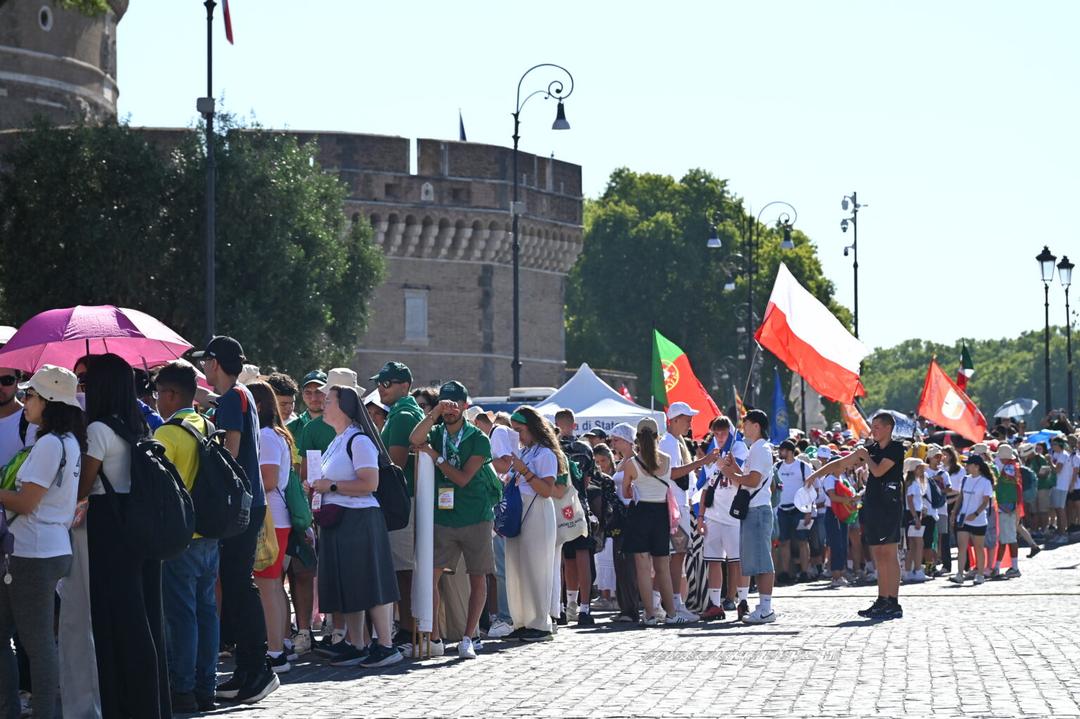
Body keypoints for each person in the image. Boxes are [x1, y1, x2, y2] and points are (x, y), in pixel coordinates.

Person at [77, 353, 171, 717]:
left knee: (116, 620)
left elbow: (83, 487)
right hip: (139, 526)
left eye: (86, 384)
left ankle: (122, 703)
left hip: (109, 527)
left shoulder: (99, 430)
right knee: (144, 616)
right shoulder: (137, 425)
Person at [192, 337, 278, 704]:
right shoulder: (238, 395)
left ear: (213, 363)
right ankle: (249, 668)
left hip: (237, 505)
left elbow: (232, 450)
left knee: (239, 587)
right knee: (239, 585)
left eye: (205, 363)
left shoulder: (232, 399)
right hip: (249, 502)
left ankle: (257, 669)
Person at [0, 366, 82, 719]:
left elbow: (25, 502)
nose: (26, 400)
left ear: (48, 401)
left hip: (33, 553)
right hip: (44, 548)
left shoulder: (50, 443)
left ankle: (43, 712)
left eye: (31, 395)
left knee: (38, 645)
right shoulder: (66, 441)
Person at [311, 385, 403, 668]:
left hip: (360, 520)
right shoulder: (336, 441)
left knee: (370, 581)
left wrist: (331, 485)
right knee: (348, 584)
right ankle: (358, 644)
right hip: (338, 520)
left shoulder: (359, 440)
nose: (322, 405)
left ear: (345, 407)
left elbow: (369, 483)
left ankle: (386, 645)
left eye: (328, 401)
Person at [408, 381, 500, 659]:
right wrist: (433, 413)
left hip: (475, 515)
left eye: (455, 404)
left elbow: (461, 478)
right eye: (445, 403)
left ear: (465, 406)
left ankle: (468, 637)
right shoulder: (436, 431)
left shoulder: (478, 438)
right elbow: (414, 440)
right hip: (444, 516)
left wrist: (436, 458)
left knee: (477, 576)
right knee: (431, 576)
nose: (450, 409)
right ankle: (434, 636)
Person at [155, 361, 219, 713]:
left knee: (181, 616)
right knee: (207, 613)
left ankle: (182, 688)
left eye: (158, 393)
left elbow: (153, 486)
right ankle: (205, 687)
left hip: (180, 536)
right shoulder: (207, 425)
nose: (155, 401)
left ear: (171, 394)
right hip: (210, 533)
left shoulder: (167, 433)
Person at [371, 361, 425, 649]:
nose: (381, 387)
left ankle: (407, 629)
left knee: (403, 568)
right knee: (400, 566)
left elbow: (396, 465)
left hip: (403, 498)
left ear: (404, 385)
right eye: (380, 382)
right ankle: (405, 626)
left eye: (387, 382)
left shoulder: (404, 414)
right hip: (403, 497)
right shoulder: (399, 413)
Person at [248, 381, 296, 674]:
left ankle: (276, 651)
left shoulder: (266, 436)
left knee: (268, 587)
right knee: (274, 586)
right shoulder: (276, 434)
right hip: (277, 519)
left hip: (271, 519)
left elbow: (267, 481)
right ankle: (281, 646)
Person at [620, 417, 686, 626]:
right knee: (662, 567)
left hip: (640, 514)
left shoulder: (631, 464)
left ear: (637, 439)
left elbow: (626, 493)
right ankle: (672, 614)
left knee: (642, 567)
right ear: (658, 437)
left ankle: (649, 614)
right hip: (660, 515)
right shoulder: (666, 460)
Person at [657, 402, 717, 622]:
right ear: (673, 420)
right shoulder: (669, 443)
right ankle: (670, 604)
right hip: (673, 507)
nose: (690, 422)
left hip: (680, 506)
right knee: (674, 556)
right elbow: (671, 473)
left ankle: (675, 603)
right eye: (686, 418)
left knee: (678, 556)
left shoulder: (677, 442)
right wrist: (702, 462)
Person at [504, 407, 560, 642]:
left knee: (537, 568)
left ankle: (540, 622)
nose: (517, 436)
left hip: (537, 512)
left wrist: (523, 471)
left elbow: (547, 491)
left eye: (520, 430)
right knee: (516, 569)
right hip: (520, 511)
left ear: (532, 428)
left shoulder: (545, 454)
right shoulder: (526, 451)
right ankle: (522, 621)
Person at [283, 370, 327, 657]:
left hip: (332, 503)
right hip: (299, 507)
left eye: (319, 391)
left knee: (332, 568)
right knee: (300, 570)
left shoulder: (337, 424)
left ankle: (337, 627)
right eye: (308, 392)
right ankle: (303, 630)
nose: (313, 396)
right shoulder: (292, 427)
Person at [719, 409, 777, 624]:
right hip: (754, 509)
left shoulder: (760, 449)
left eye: (746, 423)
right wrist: (733, 466)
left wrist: (727, 473)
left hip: (758, 510)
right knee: (756, 560)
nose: (743, 428)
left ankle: (766, 608)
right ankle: (763, 606)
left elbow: (752, 481)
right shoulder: (756, 449)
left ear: (756, 426)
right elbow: (746, 477)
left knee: (762, 560)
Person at [471, 409, 516, 639]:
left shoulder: (496, 433)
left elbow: (505, 464)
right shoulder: (500, 431)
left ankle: (505, 616)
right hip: (505, 504)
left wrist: (478, 460)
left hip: (502, 505)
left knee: (500, 566)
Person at [698, 415, 749, 620]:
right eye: (716, 433)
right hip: (713, 514)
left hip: (733, 515)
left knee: (737, 560)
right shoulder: (711, 455)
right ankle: (715, 603)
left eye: (723, 432)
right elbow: (705, 488)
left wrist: (728, 465)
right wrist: (700, 516)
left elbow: (742, 482)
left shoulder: (738, 449)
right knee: (714, 561)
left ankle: (741, 600)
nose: (719, 436)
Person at [605, 424, 641, 623]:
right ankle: (624, 606)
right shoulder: (621, 462)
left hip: (630, 514)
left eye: (617, 439)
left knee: (628, 562)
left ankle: (631, 607)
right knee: (619, 561)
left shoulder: (635, 461)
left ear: (628, 440)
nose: (613, 443)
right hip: (620, 515)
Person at [950, 455, 994, 585]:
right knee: (962, 547)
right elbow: (961, 497)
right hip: (963, 519)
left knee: (979, 548)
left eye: (969, 464)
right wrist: (954, 512)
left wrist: (975, 514)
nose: (966, 466)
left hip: (978, 520)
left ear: (976, 467)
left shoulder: (985, 482)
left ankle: (980, 574)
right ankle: (959, 574)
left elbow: (986, 501)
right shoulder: (965, 479)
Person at [775, 439, 814, 583]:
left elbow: (810, 489)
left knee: (803, 541)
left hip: (800, 509)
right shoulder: (777, 466)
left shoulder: (804, 467)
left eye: (782, 450)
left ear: (790, 451)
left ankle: (804, 572)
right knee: (784, 542)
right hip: (782, 510)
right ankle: (785, 572)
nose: (780, 453)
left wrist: (809, 511)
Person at [902, 458, 928, 583]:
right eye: (920, 467)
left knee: (912, 545)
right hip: (912, 515)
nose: (922, 469)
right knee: (918, 544)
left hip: (913, 514)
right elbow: (910, 500)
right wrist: (916, 518)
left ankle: (908, 571)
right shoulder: (912, 483)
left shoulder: (914, 482)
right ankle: (917, 570)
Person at [1049, 437, 1071, 543]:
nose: (1052, 446)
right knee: (1057, 509)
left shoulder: (1063, 455)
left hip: (1061, 486)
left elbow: (1057, 470)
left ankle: (1063, 534)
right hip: (1056, 485)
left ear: (1059, 445)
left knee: (1060, 510)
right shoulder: (1056, 454)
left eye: (1054, 444)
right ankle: (1059, 532)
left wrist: (1049, 462)